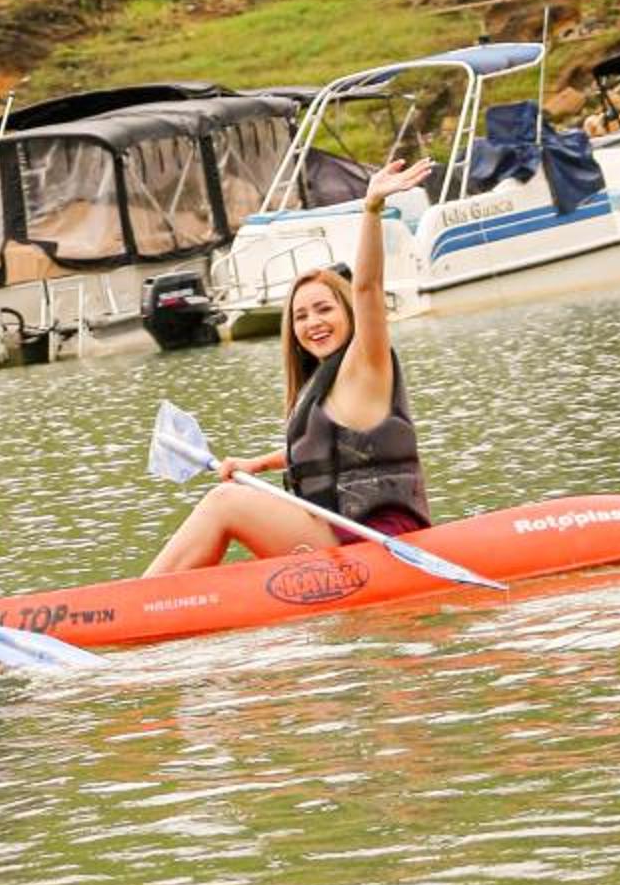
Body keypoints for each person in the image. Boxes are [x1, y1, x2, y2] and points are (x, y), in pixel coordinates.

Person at [142, 157, 433, 575]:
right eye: (300, 316)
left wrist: (370, 210)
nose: (312, 323)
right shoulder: (323, 385)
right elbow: (328, 452)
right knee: (232, 497)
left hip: (375, 541)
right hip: (336, 532)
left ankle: (140, 600)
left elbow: (367, 288)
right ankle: (157, 601)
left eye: (323, 309)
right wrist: (256, 464)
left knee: (225, 503)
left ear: (347, 313)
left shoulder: (367, 365)